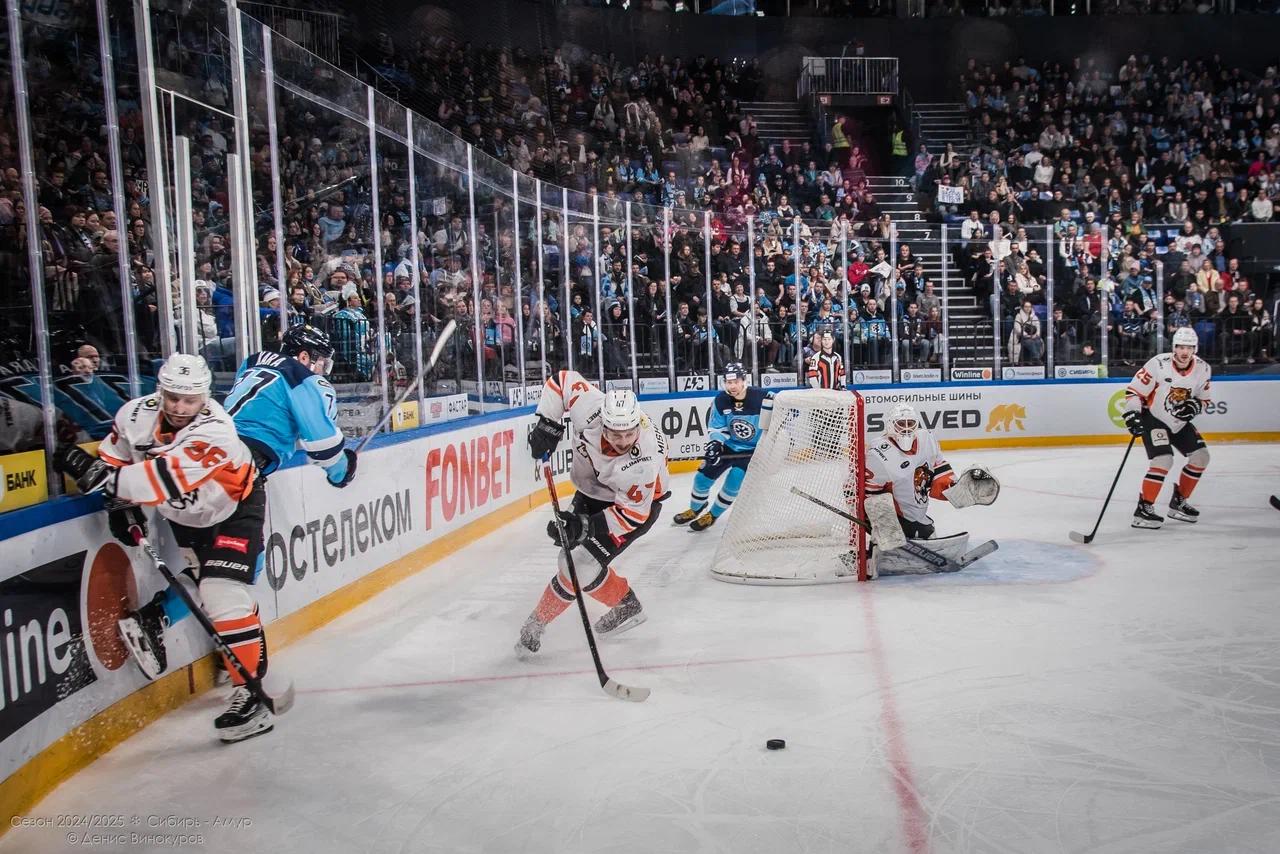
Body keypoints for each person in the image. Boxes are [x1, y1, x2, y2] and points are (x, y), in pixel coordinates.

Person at [51, 354, 274, 743]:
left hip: (235, 507)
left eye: (189, 400)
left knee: (219, 591)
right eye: (172, 397)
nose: (179, 407)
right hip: (185, 518)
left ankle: (250, 696)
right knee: (216, 591)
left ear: (205, 397)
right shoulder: (134, 414)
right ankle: (251, 651)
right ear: (161, 390)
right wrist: (120, 504)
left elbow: (160, 479)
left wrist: (106, 482)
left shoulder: (216, 430)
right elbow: (115, 457)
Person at [519, 372, 669, 656]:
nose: (623, 440)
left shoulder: (643, 462)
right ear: (603, 421)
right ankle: (541, 620)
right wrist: (548, 424)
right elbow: (561, 380)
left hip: (634, 506)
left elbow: (634, 515)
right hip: (594, 491)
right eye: (615, 433)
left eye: (629, 433)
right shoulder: (591, 407)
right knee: (569, 561)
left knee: (581, 565)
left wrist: (583, 526)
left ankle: (624, 605)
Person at [860, 403, 999, 576]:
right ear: (890, 426)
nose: (906, 429)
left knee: (925, 532)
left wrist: (956, 489)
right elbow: (867, 495)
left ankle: (908, 537)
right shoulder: (879, 453)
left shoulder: (927, 440)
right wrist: (882, 525)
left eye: (910, 424)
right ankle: (875, 550)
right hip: (895, 517)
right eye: (900, 424)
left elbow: (939, 471)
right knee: (882, 512)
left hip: (917, 514)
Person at [1122, 327, 1212, 529]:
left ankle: (1178, 502)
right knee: (1164, 460)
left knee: (1201, 457)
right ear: (1174, 348)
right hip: (1154, 418)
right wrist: (1132, 414)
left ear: (1195, 349)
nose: (1184, 352)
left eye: (1188, 347)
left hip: (1178, 422)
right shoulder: (1158, 364)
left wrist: (1195, 406)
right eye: (1180, 346)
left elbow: (1204, 400)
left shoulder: (1203, 369)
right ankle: (1144, 509)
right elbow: (1134, 391)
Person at [673, 363, 773, 532]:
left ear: (743, 380)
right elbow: (717, 427)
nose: (732, 386)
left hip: (752, 451)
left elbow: (785, 409)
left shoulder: (763, 396)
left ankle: (712, 515)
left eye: (735, 382)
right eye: (728, 382)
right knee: (702, 478)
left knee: (734, 481)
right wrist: (715, 444)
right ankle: (696, 508)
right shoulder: (721, 400)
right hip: (729, 446)